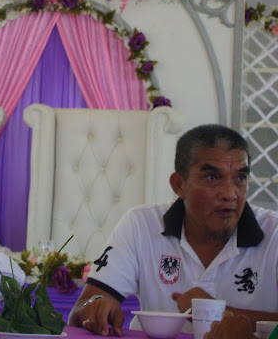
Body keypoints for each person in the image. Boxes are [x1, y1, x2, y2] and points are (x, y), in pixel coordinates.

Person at [68, 124, 278, 336]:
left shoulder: (274, 233)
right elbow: (81, 309)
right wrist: (96, 306)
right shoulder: (141, 225)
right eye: (212, 178)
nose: (230, 194)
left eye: (240, 178)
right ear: (179, 185)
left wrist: (217, 313)